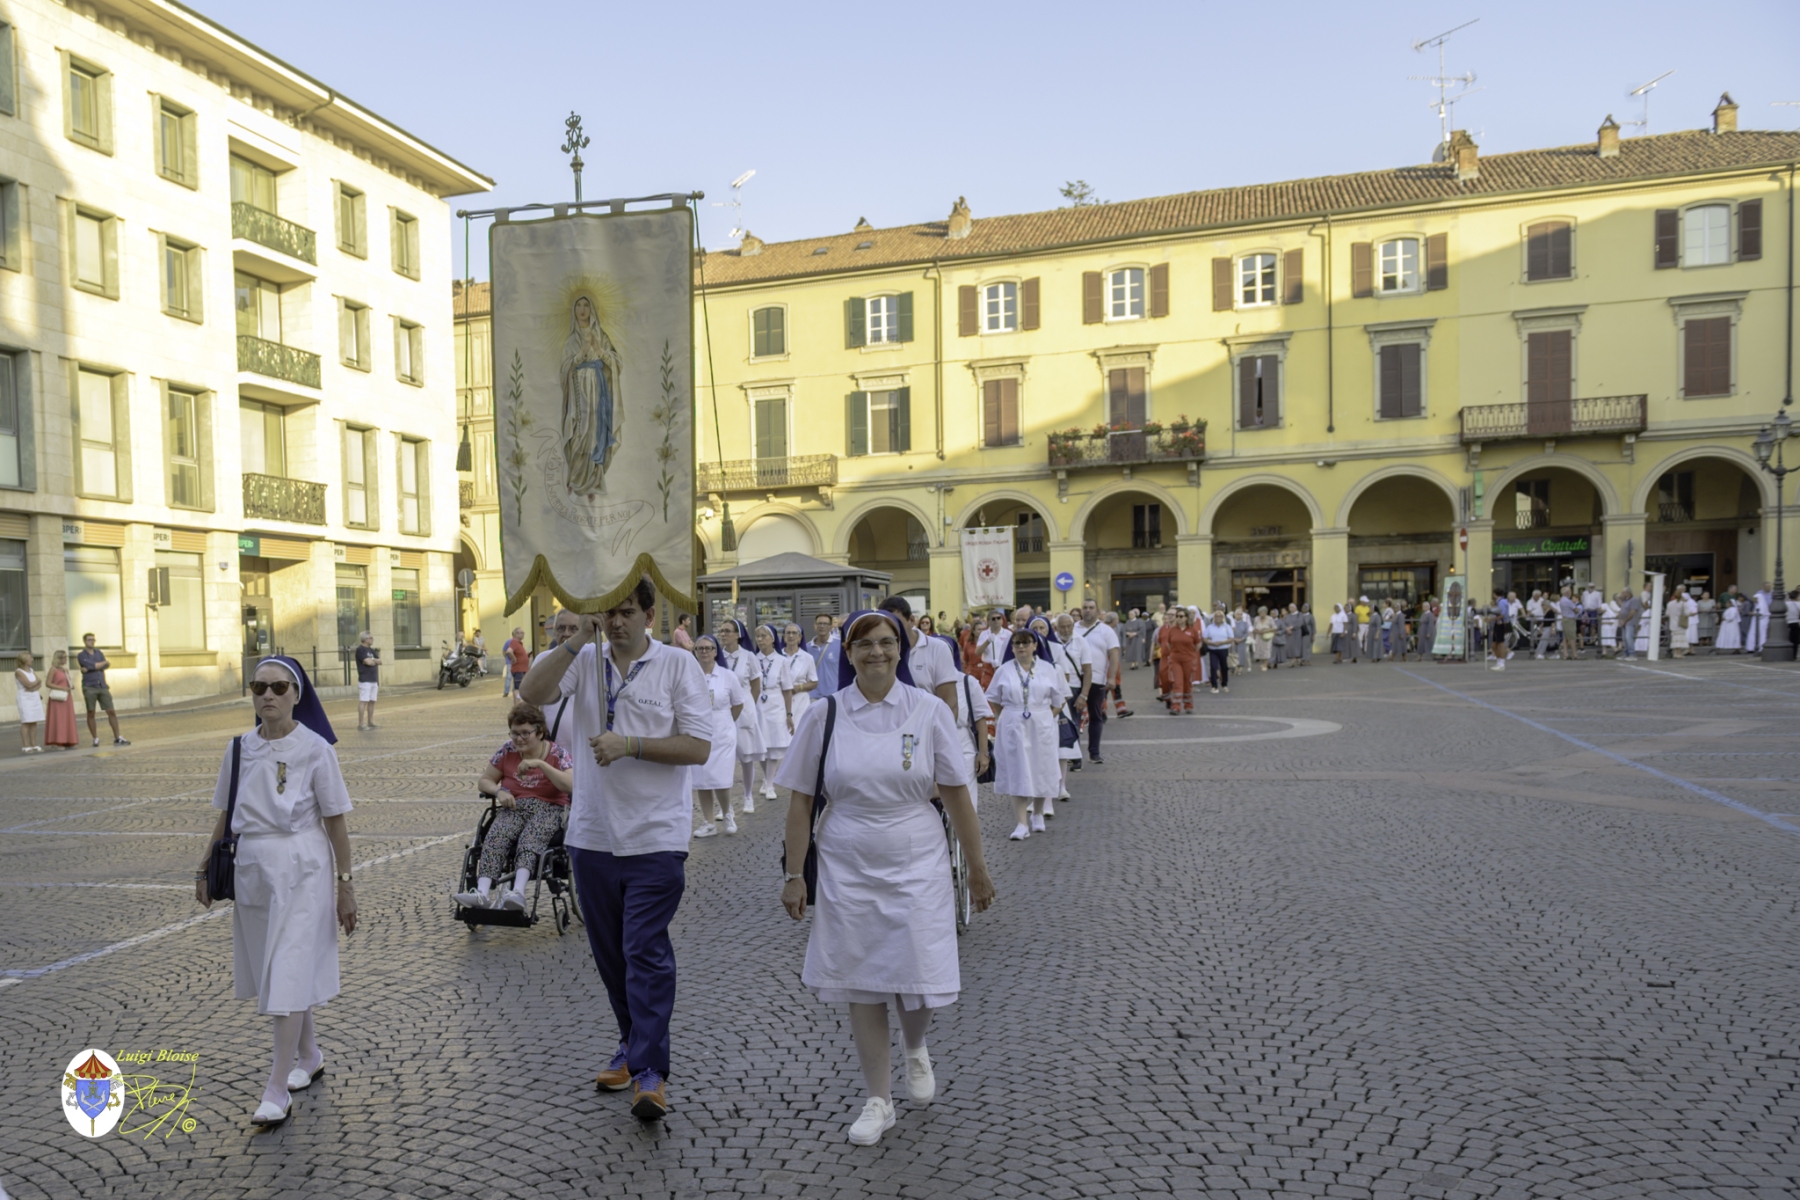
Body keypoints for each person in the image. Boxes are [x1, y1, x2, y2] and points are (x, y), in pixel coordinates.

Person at [776, 610, 993, 1147]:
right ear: (847, 654)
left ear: (901, 649)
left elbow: (957, 793)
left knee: (916, 974)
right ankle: (879, 1098)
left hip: (916, 853)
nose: (877, 652)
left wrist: (978, 869)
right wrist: (794, 875)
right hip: (847, 858)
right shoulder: (823, 715)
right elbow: (802, 801)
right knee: (863, 980)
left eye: (887, 642)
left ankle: (915, 1047)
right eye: (865, 644)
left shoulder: (927, 710)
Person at [517, 577, 711, 1121]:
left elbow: (698, 745)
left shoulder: (677, 666)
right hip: (592, 835)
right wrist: (577, 636)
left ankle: (651, 1071)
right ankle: (631, 1046)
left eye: (626, 611)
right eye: (608, 613)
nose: (616, 622)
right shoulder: (584, 659)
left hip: (655, 836)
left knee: (643, 950)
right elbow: (531, 695)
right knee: (610, 957)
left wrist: (631, 745)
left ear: (649, 615)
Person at [196, 656, 356, 1127]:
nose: (268, 695)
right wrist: (204, 866)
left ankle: (275, 1088)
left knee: (287, 966)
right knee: (279, 964)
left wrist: (346, 886)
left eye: (279, 687)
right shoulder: (239, 748)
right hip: (252, 868)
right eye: (259, 686)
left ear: (297, 694)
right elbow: (225, 814)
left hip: (303, 865)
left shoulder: (316, 749)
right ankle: (309, 1055)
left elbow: (336, 820)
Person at [457, 702, 576, 909]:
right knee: (496, 835)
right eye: (514, 733)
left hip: (550, 809)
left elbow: (570, 785)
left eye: (525, 733)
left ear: (540, 733)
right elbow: (485, 780)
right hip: (515, 806)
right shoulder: (507, 750)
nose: (518, 739)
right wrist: (499, 791)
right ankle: (482, 893)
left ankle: (518, 892)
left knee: (531, 838)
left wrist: (540, 764)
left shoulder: (558, 754)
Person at [985, 626, 1064, 840]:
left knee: (1041, 768)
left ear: (1035, 645)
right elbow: (993, 697)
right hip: (1013, 725)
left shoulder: (1049, 669)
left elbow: (1060, 700)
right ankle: (1021, 823)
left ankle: (1037, 813)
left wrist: (1047, 717)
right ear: (1012, 647)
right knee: (1017, 769)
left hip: (1040, 724)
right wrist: (1007, 715)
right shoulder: (1004, 670)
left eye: (1025, 642)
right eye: (1017, 643)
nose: (1021, 647)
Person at [689, 634, 747, 838]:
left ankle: (727, 812)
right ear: (694, 652)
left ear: (715, 652)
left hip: (722, 730)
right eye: (700, 648)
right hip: (697, 730)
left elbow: (739, 703)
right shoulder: (689, 675)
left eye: (708, 648)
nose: (704, 652)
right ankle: (708, 821)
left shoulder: (727, 676)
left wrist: (726, 722)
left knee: (721, 777)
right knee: (702, 777)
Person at [715, 620, 766, 814]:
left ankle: (748, 797)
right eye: (721, 631)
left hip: (743, 709)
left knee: (746, 756)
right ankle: (723, 805)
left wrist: (747, 705)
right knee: (723, 757)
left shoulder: (748, 656)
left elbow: (755, 685)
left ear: (738, 634)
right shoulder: (717, 655)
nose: (723, 634)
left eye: (727, 631)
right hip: (722, 710)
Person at [1074, 598, 1125, 764]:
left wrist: (1111, 677)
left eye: (1091, 607)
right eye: (1085, 607)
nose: (1088, 610)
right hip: (1075, 679)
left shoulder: (1106, 631)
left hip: (1097, 679)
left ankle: (1094, 752)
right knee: (1073, 717)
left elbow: (1114, 655)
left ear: (1097, 611)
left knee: (1096, 716)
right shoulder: (1073, 629)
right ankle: (1073, 754)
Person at [1043, 615, 1088, 805]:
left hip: (1057, 703)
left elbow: (1066, 676)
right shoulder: (1026, 648)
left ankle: (1061, 786)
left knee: (1062, 747)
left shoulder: (1056, 648)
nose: (1039, 632)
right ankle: (1040, 789)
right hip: (1037, 705)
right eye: (1034, 628)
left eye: (1041, 628)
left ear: (1047, 630)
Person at [752, 624, 795, 801]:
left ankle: (769, 784)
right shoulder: (752, 659)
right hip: (757, 703)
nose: (760, 639)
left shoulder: (782, 661)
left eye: (764, 636)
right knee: (761, 746)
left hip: (775, 703)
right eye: (758, 636)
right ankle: (767, 778)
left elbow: (787, 689)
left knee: (774, 745)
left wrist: (789, 713)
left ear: (772, 639)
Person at [77, 633, 128, 747]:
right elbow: (92, 665)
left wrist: (94, 666)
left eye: (93, 640)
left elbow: (101, 666)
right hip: (89, 686)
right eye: (89, 640)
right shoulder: (81, 655)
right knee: (91, 712)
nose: (92, 642)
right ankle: (95, 738)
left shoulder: (99, 653)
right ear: (84, 641)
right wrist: (100, 664)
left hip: (102, 686)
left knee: (111, 711)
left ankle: (117, 737)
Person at [781, 622, 821, 734]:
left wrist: (799, 687)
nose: (791, 636)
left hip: (800, 700)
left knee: (799, 732)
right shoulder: (778, 656)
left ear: (800, 637)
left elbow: (814, 682)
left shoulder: (807, 657)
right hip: (780, 700)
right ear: (784, 637)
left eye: (794, 633)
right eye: (788, 633)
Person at [44, 650, 79, 750]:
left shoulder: (65, 670)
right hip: (57, 698)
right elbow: (48, 683)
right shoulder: (53, 669)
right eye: (64, 657)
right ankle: (57, 741)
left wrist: (71, 686)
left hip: (67, 697)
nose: (66, 659)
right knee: (58, 719)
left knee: (67, 718)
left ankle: (68, 740)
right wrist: (62, 688)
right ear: (58, 658)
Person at [14, 651, 44, 753]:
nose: (32, 659)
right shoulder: (19, 672)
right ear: (24, 659)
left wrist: (33, 686)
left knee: (33, 721)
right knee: (26, 721)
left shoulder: (31, 670)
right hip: (25, 698)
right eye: (30, 658)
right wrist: (36, 682)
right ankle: (25, 745)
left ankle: (34, 744)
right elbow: (29, 684)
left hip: (34, 696)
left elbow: (39, 684)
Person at [1201, 606, 1233, 695]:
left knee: (1224, 667)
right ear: (1214, 618)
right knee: (1213, 667)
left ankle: (1224, 684)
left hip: (1223, 649)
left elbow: (1231, 638)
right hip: (1213, 649)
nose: (1218, 618)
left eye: (1220, 616)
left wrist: (1222, 642)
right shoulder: (1210, 627)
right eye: (1216, 616)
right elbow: (1204, 638)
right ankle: (1214, 686)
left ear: (1223, 617)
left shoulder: (1227, 627)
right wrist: (1210, 643)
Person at [352, 632, 381, 730]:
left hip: (374, 679)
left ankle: (370, 721)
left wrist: (372, 660)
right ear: (365, 639)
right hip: (365, 680)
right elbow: (368, 662)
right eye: (370, 638)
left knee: (372, 701)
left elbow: (380, 661)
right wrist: (372, 661)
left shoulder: (371, 650)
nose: (372, 639)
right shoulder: (360, 650)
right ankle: (361, 723)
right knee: (363, 701)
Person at [503, 627, 529, 699]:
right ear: (516, 634)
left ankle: (519, 704)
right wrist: (514, 659)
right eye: (522, 633)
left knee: (520, 687)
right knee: (518, 688)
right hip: (518, 669)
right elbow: (508, 651)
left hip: (522, 669)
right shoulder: (514, 642)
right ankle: (517, 705)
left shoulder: (519, 643)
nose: (523, 634)